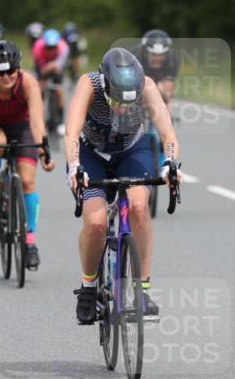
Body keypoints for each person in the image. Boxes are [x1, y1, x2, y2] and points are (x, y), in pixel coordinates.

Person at [66, 48, 181, 324]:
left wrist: (170, 163)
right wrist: (74, 166)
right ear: (105, 84)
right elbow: (71, 132)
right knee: (95, 223)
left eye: (128, 103)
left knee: (140, 208)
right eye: (116, 101)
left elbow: (168, 134)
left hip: (132, 151)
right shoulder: (89, 84)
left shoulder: (148, 87)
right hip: (91, 153)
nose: (122, 108)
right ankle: (89, 288)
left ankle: (142, 291)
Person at [0, 41, 55, 269]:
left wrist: (43, 152)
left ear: (18, 69)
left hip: (23, 127)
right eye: (1, 72)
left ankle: (29, 243)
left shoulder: (29, 84)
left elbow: (38, 122)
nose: (6, 76)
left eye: (10, 71)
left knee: (28, 181)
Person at [133, 29, 180, 169]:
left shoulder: (173, 59)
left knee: (167, 113)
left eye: (161, 55)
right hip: (137, 82)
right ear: (146, 52)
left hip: (159, 81)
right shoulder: (135, 56)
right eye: (153, 55)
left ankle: (165, 156)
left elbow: (168, 92)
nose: (157, 58)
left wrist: (164, 100)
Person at [32, 29, 70, 126]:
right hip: (43, 64)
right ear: (44, 45)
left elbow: (58, 68)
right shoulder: (37, 48)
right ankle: (38, 116)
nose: (51, 50)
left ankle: (61, 120)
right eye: (48, 47)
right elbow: (42, 70)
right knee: (40, 89)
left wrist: (53, 66)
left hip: (56, 66)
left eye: (53, 47)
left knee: (59, 90)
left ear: (58, 45)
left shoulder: (64, 48)